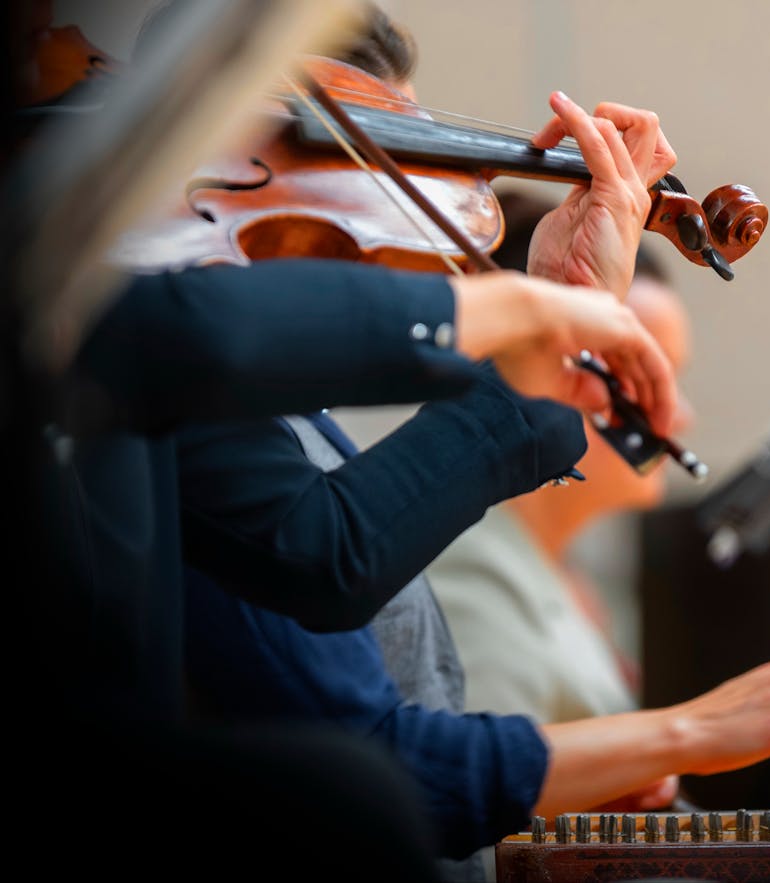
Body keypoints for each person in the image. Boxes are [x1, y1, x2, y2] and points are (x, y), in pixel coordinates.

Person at [6, 3, 680, 876]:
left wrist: (538, 316)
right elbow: (326, 564)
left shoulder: (209, 378)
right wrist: (520, 313)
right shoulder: (136, 325)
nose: (332, 189)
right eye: (320, 146)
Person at [424, 188, 690, 727]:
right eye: (646, 375)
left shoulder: (568, 574)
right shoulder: (470, 567)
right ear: (549, 371)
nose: (681, 415)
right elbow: (477, 784)